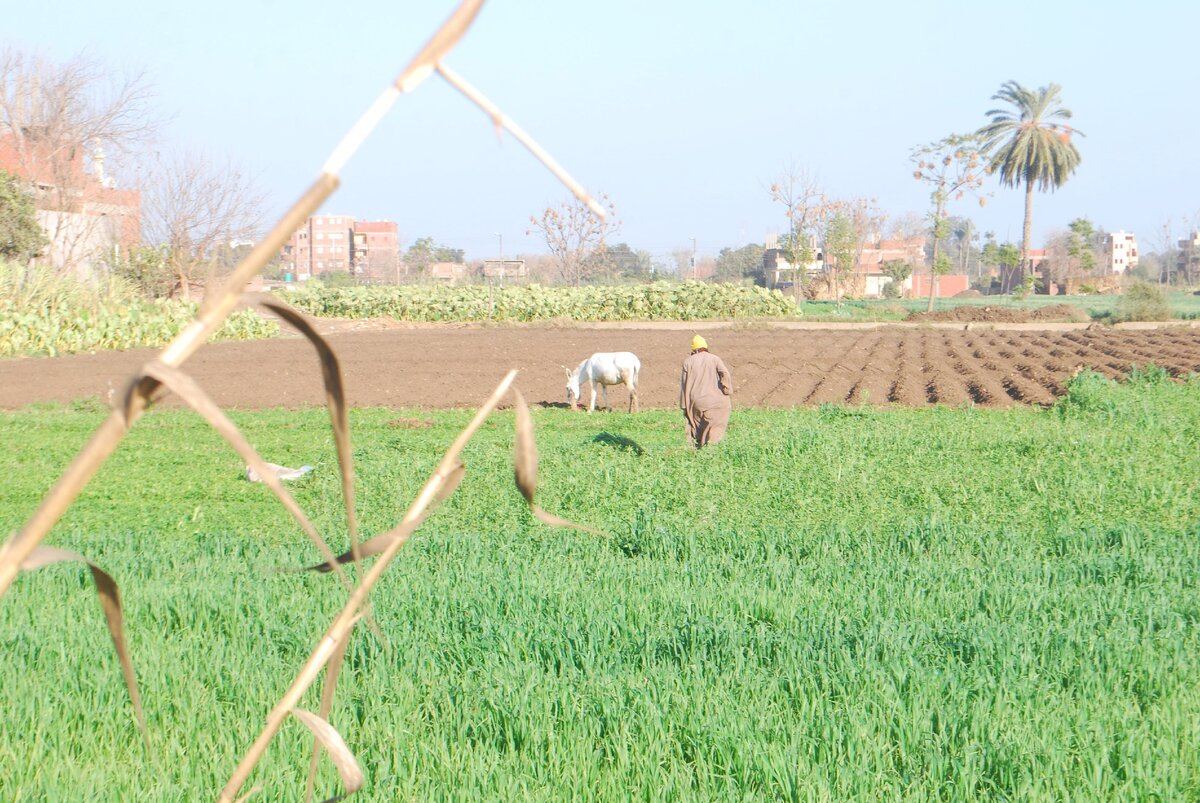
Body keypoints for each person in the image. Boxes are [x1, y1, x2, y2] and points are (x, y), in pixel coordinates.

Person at [679, 334, 732, 448]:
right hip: (716, 402)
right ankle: (711, 450)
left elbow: (684, 384)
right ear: (706, 348)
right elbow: (725, 374)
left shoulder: (688, 362)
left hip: (695, 402)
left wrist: (684, 406)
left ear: (694, 350)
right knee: (716, 426)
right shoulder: (715, 359)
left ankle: (699, 448)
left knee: (698, 427)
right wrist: (726, 389)